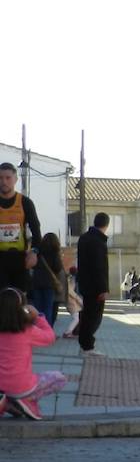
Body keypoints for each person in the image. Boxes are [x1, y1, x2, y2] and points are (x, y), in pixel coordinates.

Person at [0, 288, 66, 420]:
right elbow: (50, 337)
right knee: (59, 378)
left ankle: (6, 402)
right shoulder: (27, 330)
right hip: (22, 387)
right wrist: (39, 317)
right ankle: (28, 401)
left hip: (1, 387)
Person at [0, 162, 41, 296]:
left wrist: (34, 252)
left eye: (7, 178)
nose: (4, 181)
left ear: (15, 180)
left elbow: (36, 230)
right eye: (0, 178)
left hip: (19, 258)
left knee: (19, 299)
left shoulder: (25, 202)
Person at [74, 214, 109, 355]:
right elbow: (99, 267)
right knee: (94, 317)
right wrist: (103, 288)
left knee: (87, 315)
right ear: (106, 225)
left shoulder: (83, 238)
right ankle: (87, 346)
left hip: (84, 283)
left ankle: (85, 344)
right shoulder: (98, 242)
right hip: (96, 287)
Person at [29, 233, 66, 328]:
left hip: (36, 283)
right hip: (49, 285)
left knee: (37, 308)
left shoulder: (38, 252)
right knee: (48, 308)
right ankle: (46, 330)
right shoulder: (54, 253)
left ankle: (36, 329)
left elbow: (32, 265)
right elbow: (58, 268)